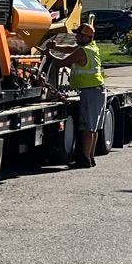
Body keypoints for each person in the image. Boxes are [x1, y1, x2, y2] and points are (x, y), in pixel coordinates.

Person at [46, 19, 106, 167]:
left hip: (90, 93)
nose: (76, 37)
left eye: (79, 35)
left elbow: (62, 62)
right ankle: (90, 158)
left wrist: (48, 54)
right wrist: (57, 46)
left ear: (87, 37)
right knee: (93, 127)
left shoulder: (82, 51)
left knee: (87, 127)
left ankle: (84, 160)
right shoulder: (92, 47)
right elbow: (70, 48)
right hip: (97, 91)